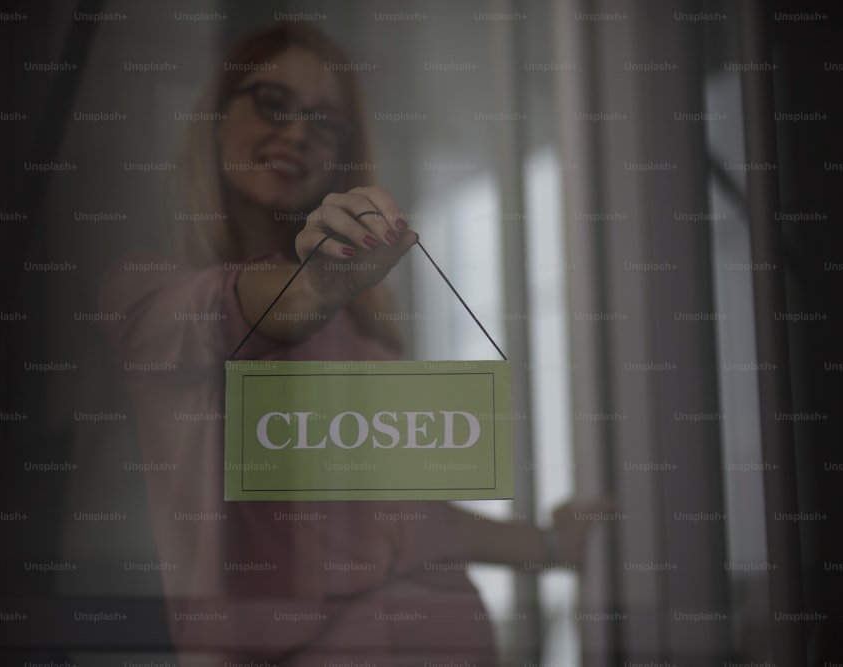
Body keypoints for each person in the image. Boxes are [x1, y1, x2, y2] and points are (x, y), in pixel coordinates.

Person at [99, 22, 610, 667]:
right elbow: (228, 311)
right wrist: (311, 290)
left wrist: (550, 547)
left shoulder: (352, 328)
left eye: (325, 120)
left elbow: (403, 518)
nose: (298, 132)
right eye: (272, 102)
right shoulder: (145, 291)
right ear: (215, 118)